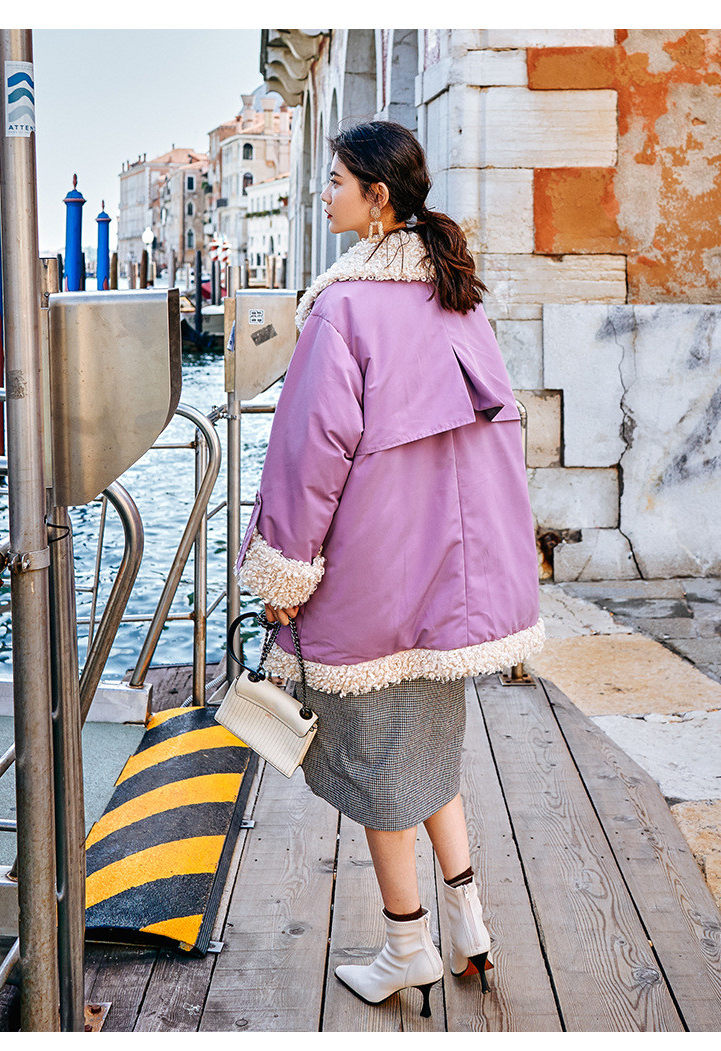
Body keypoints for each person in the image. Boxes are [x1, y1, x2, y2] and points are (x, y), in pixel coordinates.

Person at [235, 121, 545, 1018]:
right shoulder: (456, 294)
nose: (320, 192)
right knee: (428, 751)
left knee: (377, 765)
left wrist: (284, 571)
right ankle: (470, 924)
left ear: (377, 200)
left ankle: (406, 943)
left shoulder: (341, 308)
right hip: (451, 587)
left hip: (372, 582)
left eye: (335, 181)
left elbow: (308, 457)